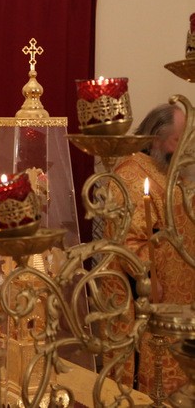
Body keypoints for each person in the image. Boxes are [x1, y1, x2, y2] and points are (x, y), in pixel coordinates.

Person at [101, 103, 195, 396]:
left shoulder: (170, 169)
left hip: (181, 297)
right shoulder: (131, 174)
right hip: (146, 298)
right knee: (148, 381)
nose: (184, 146)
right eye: (178, 139)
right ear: (156, 139)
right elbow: (128, 240)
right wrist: (149, 279)